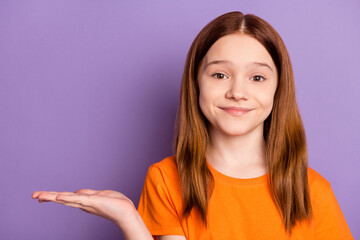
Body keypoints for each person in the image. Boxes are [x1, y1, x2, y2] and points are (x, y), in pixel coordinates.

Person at [32, 11, 354, 240]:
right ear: (195, 83)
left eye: (257, 77)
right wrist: (129, 218)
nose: (237, 92)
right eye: (219, 75)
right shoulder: (166, 180)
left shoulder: (313, 191)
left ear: (277, 89)